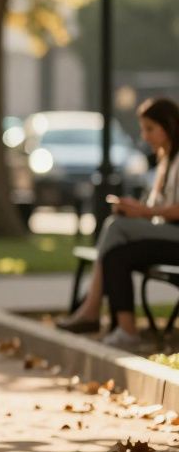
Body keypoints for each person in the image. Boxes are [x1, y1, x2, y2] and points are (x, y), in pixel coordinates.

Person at [55, 97, 179, 351]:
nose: (145, 136)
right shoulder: (165, 160)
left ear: (169, 126)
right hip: (165, 233)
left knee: (115, 225)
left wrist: (143, 211)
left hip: (175, 236)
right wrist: (137, 209)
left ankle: (90, 307)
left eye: (150, 129)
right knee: (115, 255)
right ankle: (125, 330)